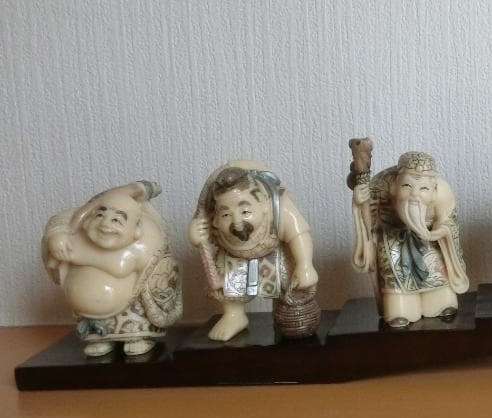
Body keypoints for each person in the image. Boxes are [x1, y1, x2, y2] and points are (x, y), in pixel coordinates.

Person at [42, 181, 182, 357]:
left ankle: (137, 338)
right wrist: (56, 236)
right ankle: (100, 339)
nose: (105, 224)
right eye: (100, 215)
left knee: (135, 321)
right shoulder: (78, 229)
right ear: (88, 220)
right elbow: (61, 221)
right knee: (96, 334)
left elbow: (120, 267)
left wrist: (77, 255)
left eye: (116, 220)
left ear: (136, 230)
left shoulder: (145, 238)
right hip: (86, 310)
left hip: (129, 304)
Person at [189, 162, 318, 341]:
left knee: (289, 278)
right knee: (225, 277)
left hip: (274, 253)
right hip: (235, 260)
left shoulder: (278, 206)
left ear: (263, 204)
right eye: (226, 215)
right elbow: (205, 238)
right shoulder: (212, 216)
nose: (237, 222)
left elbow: (299, 234)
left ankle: (286, 307)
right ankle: (234, 314)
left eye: (245, 211)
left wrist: (305, 265)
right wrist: (195, 235)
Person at [349, 147, 468, 327]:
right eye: (407, 186)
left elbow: (449, 223)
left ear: (433, 189)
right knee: (395, 273)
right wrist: (358, 202)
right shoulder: (380, 186)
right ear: (395, 185)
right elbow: (368, 223)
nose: (414, 195)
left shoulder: (442, 191)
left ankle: (439, 302)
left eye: (423, 188)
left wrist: (434, 233)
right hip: (392, 241)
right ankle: (400, 308)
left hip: (428, 240)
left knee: (435, 268)